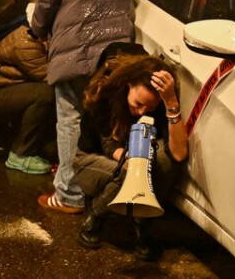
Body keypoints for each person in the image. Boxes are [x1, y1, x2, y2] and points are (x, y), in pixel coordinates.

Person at [32, 0, 135, 215]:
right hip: (116, 42)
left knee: (70, 117)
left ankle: (69, 193)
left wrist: (38, 29)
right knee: (102, 115)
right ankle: (108, 186)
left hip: (75, 42)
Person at [74, 47, 187, 262]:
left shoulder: (160, 104)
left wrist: (171, 102)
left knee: (166, 161)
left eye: (150, 107)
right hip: (91, 160)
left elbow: (179, 154)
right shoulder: (105, 94)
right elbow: (108, 146)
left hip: (131, 156)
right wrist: (131, 160)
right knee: (129, 171)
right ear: (128, 86)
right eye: (138, 104)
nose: (143, 111)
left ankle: (142, 223)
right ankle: (94, 218)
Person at [0, 0, 55, 174]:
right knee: (45, 94)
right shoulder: (25, 40)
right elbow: (50, 77)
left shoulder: (31, 29)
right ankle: (20, 155)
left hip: (2, 87)